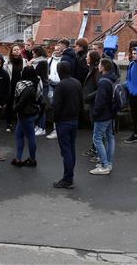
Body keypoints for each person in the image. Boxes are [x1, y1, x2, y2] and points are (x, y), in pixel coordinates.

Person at [52, 61, 81, 189]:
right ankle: (70, 176)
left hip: (63, 121)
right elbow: (80, 101)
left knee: (66, 151)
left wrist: (56, 119)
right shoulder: (77, 83)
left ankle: (68, 179)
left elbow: (56, 106)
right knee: (71, 148)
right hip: (74, 120)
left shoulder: (60, 86)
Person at [89, 58, 117, 175]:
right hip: (110, 113)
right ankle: (108, 163)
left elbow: (100, 101)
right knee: (110, 138)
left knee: (97, 138)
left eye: (99, 64)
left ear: (104, 67)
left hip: (103, 115)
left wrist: (95, 114)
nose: (98, 66)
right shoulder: (112, 79)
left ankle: (104, 165)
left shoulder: (103, 82)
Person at [11, 66, 41, 168]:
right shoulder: (37, 82)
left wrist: (15, 109)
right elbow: (40, 97)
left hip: (25, 115)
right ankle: (18, 159)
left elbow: (21, 102)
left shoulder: (23, 85)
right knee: (18, 135)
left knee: (30, 137)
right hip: (34, 112)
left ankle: (32, 160)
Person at [3, 44, 26, 132]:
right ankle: (8, 124)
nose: (17, 51)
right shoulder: (7, 62)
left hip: (21, 86)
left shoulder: (24, 61)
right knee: (9, 105)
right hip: (11, 86)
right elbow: (5, 74)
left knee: (20, 105)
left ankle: (19, 123)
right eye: (15, 50)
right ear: (12, 52)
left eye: (18, 49)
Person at [82, 50, 101, 152]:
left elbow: (100, 88)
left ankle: (97, 150)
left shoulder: (96, 71)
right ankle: (95, 148)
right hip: (92, 102)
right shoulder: (92, 69)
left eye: (88, 56)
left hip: (94, 102)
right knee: (94, 127)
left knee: (96, 127)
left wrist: (89, 96)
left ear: (92, 58)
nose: (86, 58)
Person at [30, 46, 49, 137]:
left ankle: (42, 128)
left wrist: (29, 66)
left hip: (42, 86)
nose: (32, 55)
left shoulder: (42, 62)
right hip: (40, 86)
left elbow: (36, 74)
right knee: (39, 107)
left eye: (33, 53)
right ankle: (38, 126)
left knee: (41, 107)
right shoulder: (39, 61)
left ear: (38, 53)